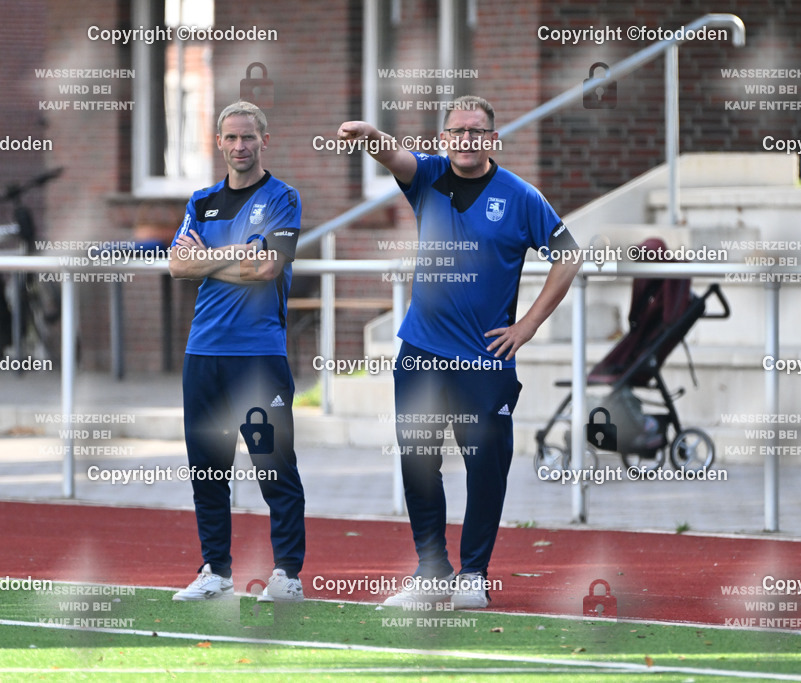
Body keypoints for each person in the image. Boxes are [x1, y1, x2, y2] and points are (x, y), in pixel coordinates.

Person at [336, 95, 581, 608]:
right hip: (421, 352)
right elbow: (393, 156)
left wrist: (528, 325)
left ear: (493, 139)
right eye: (456, 132)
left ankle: (474, 573)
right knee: (419, 463)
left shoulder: (521, 197)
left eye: (476, 131)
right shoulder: (427, 177)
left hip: (485, 361)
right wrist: (370, 134)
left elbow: (568, 257)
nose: (465, 140)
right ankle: (431, 571)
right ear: (443, 139)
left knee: (484, 468)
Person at [169, 101, 306, 602]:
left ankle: (287, 573)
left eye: (249, 137)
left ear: (263, 140)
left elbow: (268, 268)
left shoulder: (284, 197)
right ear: (219, 142)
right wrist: (234, 255)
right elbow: (177, 267)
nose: (240, 146)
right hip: (203, 352)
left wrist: (205, 259)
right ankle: (216, 570)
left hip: (257, 355)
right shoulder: (202, 202)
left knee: (274, 465)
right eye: (231, 138)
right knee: (208, 468)